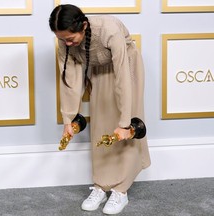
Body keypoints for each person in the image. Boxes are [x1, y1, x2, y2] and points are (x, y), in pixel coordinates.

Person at [49, 4, 151, 215]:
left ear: (84, 25)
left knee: (123, 130)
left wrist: (124, 124)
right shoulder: (64, 41)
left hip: (126, 68)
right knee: (102, 124)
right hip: (100, 70)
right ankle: (101, 184)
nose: (66, 43)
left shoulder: (109, 29)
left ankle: (121, 190)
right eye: (62, 39)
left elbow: (122, 74)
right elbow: (69, 77)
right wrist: (68, 119)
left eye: (70, 38)